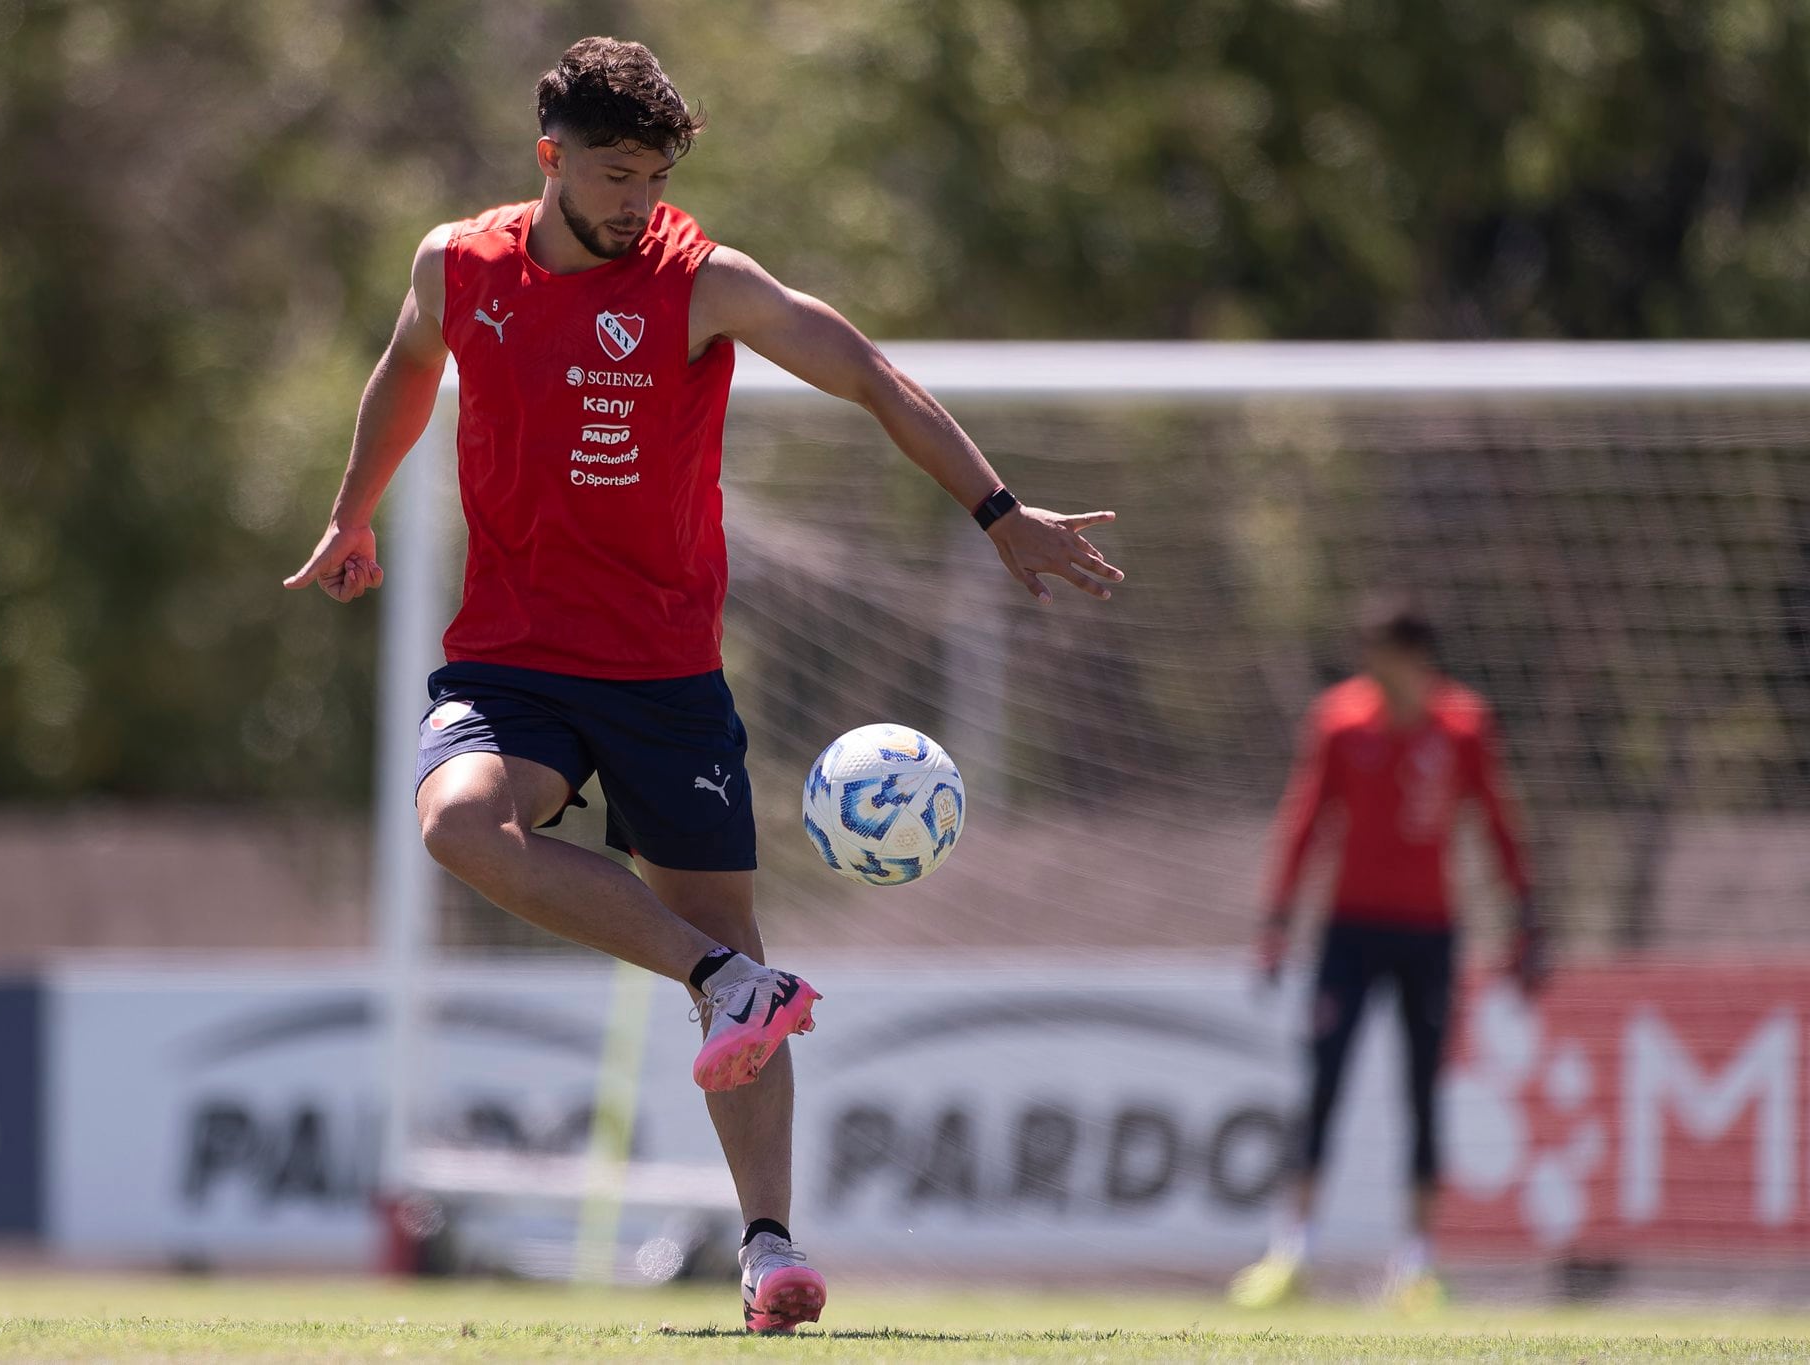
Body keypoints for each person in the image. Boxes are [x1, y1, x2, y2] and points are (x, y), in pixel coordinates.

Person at [284, 37, 1122, 1333]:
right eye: (618, 174)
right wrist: (351, 514)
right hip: (511, 662)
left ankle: (770, 1244)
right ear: (550, 156)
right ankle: (718, 979)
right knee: (458, 827)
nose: (640, 200)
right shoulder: (457, 264)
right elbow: (406, 368)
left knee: (746, 963)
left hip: (668, 678)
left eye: (657, 175)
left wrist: (997, 508)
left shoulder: (698, 280)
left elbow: (868, 373)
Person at [1232, 596, 1545, 1312]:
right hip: (1349, 932)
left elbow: (1496, 820)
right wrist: (1277, 921)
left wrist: (1525, 917)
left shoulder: (1464, 726)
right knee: (1325, 1085)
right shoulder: (1340, 721)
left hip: (1431, 935)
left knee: (1421, 1094)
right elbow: (1306, 817)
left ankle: (1416, 1265)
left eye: (1385, 657)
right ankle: (1292, 1252)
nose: (1374, 671)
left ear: (1416, 659)